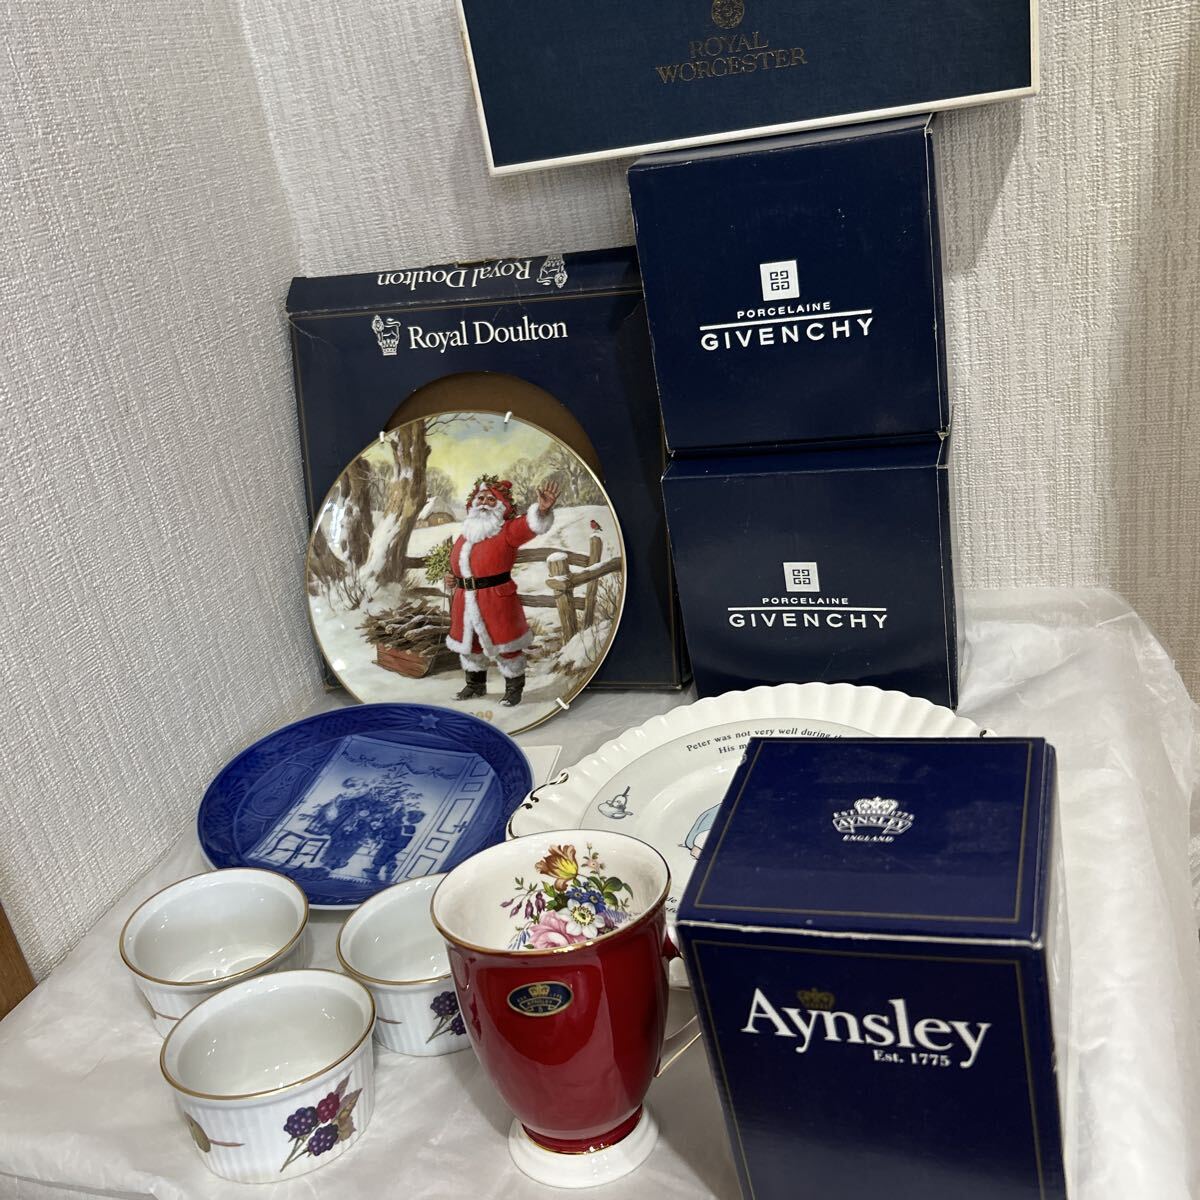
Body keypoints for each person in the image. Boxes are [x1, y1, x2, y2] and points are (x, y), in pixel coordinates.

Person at [443, 476, 558, 707]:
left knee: (507, 646)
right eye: (481, 498)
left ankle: (513, 690)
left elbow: (529, 525)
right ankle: (475, 685)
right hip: (464, 600)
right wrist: (451, 578)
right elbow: (460, 566)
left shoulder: (507, 530)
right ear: (473, 503)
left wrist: (543, 510)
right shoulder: (466, 534)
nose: (484, 503)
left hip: (496, 600)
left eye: (491, 499)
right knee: (470, 644)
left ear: (502, 506)